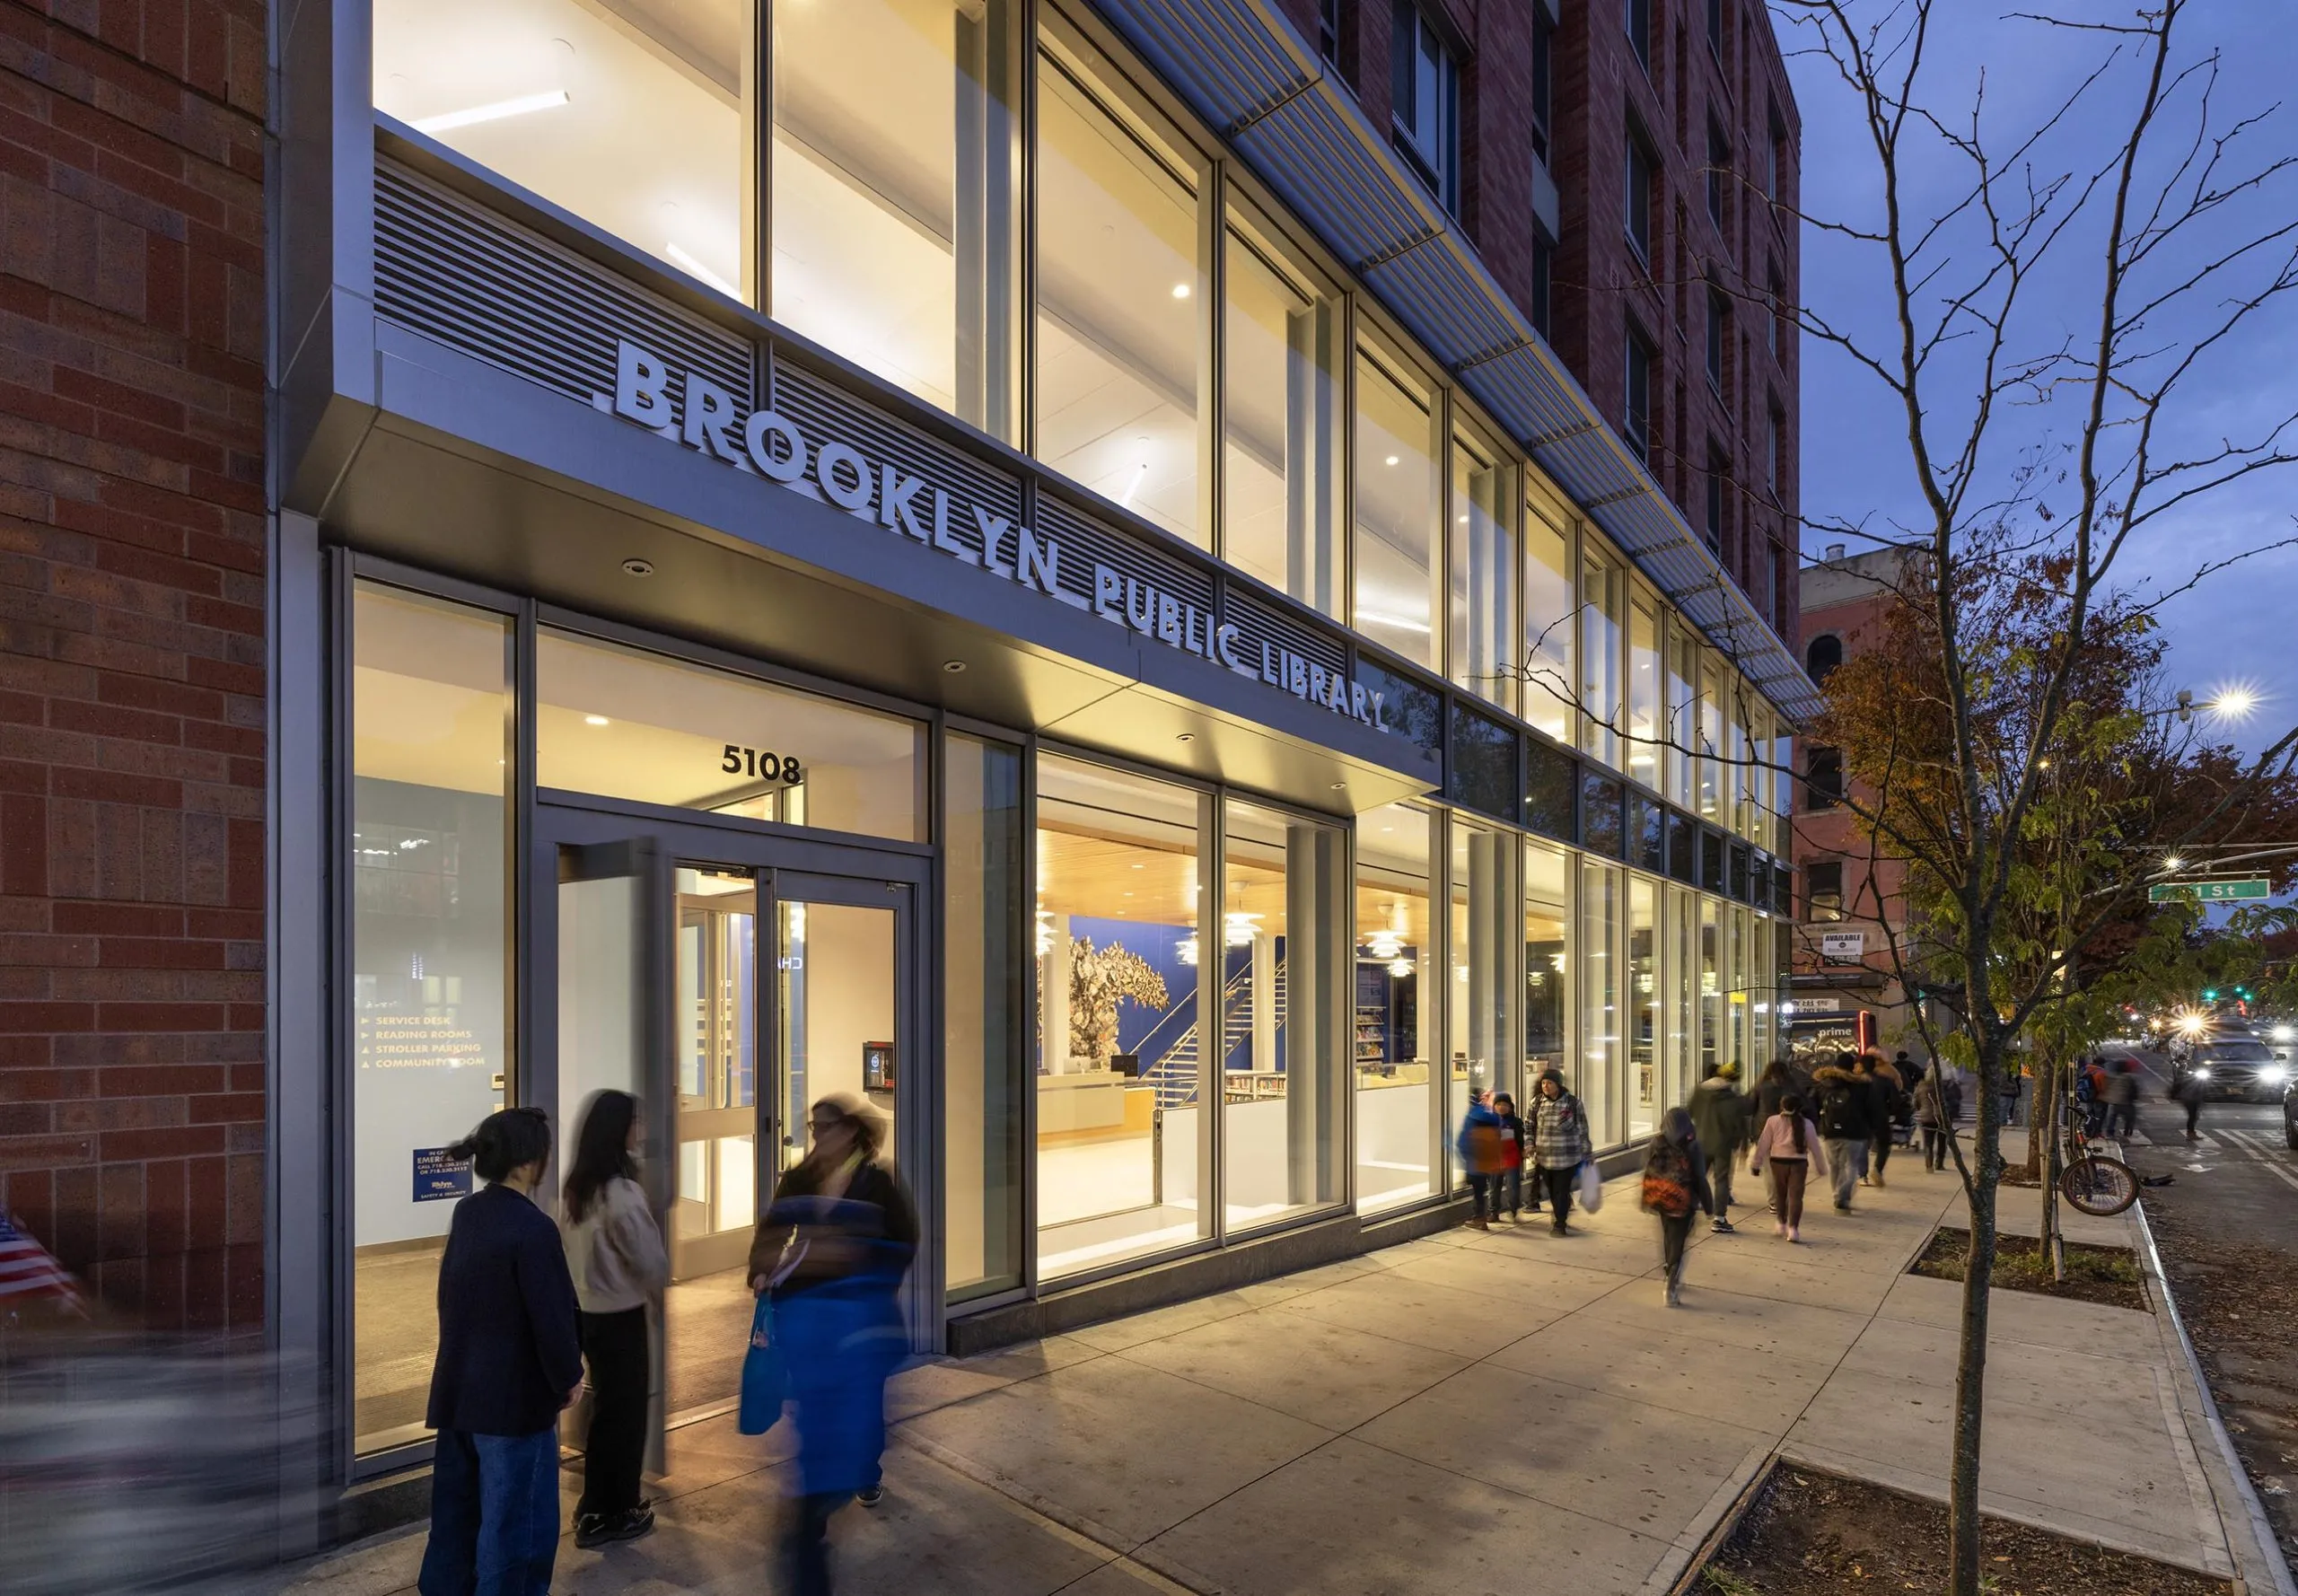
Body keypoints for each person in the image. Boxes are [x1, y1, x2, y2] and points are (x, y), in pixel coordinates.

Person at [749, 1094, 918, 1596]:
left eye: (825, 1126)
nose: (816, 1133)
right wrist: (761, 1268)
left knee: (862, 1412)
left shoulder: (876, 1181)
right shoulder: (799, 1178)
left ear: (850, 1132)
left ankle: (860, 1471)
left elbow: (904, 1240)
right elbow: (773, 1229)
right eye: (813, 1125)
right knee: (817, 1414)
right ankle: (817, 1511)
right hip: (807, 1321)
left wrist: (865, 1277)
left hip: (862, 1325)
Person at [417, 1107, 583, 1596]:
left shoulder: (468, 1212)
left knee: (458, 1516)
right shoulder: (533, 1229)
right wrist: (568, 1376)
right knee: (516, 1530)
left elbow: (450, 1298)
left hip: (458, 1394)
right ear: (530, 1163)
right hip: (513, 1404)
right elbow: (551, 1317)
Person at [560, 1089, 669, 1549]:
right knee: (624, 1418)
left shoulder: (576, 1190)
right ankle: (612, 1510)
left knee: (607, 1411)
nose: (641, 1129)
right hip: (621, 1315)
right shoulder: (621, 1193)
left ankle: (597, 1506)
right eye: (635, 1121)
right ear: (617, 1130)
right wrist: (657, 1291)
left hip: (586, 1313)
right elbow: (651, 1261)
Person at [1641, 1107, 1712, 1304]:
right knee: (1678, 1240)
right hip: (1684, 1201)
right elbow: (1699, 1177)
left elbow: (1647, 1167)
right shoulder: (1692, 1145)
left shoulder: (1657, 1142)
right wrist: (1708, 1205)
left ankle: (1668, 1270)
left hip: (1662, 1199)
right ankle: (1672, 1280)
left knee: (1667, 1235)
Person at [1748, 1092, 1829, 1242]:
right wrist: (1821, 1167)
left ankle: (1781, 1223)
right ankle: (1793, 1229)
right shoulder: (1807, 1124)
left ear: (1782, 1106)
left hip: (1778, 1162)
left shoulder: (1772, 1121)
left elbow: (1764, 1143)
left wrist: (1756, 1163)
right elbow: (1815, 1147)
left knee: (1780, 1194)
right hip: (1799, 1163)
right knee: (1796, 1197)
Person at [1688, 1063, 1751, 1232]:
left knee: (1698, 1176)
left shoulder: (1699, 1092)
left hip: (1701, 1142)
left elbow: (1689, 1113)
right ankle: (1719, 1219)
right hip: (1723, 1145)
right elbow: (1740, 1125)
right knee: (1722, 1180)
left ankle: (1688, 1210)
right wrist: (1743, 1144)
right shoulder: (1733, 1098)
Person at [1531, 1068, 1593, 1235]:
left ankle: (1560, 1223)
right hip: (1545, 1158)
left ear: (1558, 1084)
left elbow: (1582, 1129)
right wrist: (1529, 1146)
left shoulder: (1573, 1103)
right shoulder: (1536, 1103)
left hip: (1567, 1157)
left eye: (1550, 1083)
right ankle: (1559, 1213)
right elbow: (1529, 1127)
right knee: (1552, 1190)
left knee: (1562, 1190)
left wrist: (1587, 1152)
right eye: (1544, 1083)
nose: (1546, 1086)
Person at [1811, 1054, 1871, 1212]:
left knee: (1835, 1166)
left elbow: (1812, 1106)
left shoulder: (1823, 1084)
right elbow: (1870, 1109)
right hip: (1854, 1132)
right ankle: (1842, 1195)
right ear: (1852, 1067)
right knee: (1851, 1165)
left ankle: (1836, 1194)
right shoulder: (1859, 1085)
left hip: (1830, 1131)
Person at [1456, 1092, 1504, 1230]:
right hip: (1490, 1162)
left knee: (1478, 1192)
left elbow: (1463, 1142)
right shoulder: (1493, 1116)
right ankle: (1491, 1213)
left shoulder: (1472, 1117)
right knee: (1488, 1188)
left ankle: (1479, 1218)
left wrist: (1465, 1158)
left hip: (1475, 1162)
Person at [1858, 1052, 1905, 1189]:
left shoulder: (1856, 1081)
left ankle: (1862, 1175)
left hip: (1861, 1118)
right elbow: (1896, 1101)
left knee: (1862, 1146)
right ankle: (1878, 1169)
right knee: (1884, 1144)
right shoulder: (1885, 1081)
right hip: (1880, 1116)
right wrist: (1890, 1111)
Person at [1492, 1092, 1527, 1223]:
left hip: (1511, 1159)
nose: (1501, 1107)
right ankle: (1493, 1212)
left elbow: (1520, 1141)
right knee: (1494, 1187)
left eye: (1505, 1105)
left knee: (1513, 1187)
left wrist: (1522, 1153)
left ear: (1510, 1107)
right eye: (1498, 1104)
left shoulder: (1516, 1122)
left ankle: (1513, 1209)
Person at [1913, 1064, 1952, 1171]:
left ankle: (1929, 1164)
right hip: (1941, 1117)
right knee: (1942, 1142)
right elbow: (1951, 1100)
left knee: (1928, 1142)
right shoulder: (1943, 1086)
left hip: (1926, 1117)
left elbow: (1915, 1102)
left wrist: (1920, 1109)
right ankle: (1939, 1164)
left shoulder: (1921, 1086)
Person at [2102, 1056, 2142, 1139]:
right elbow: (2134, 1090)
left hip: (2113, 1102)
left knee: (2111, 1119)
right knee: (2130, 1118)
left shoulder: (2110, 1077)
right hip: (2126, 1102)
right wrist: (2134, 1098)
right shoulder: (2129, 1078)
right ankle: (2127, 1132)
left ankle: (2110, 1134)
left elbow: (2105, 1087)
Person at [2171, 1066, 2206, 1141]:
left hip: (2191, 1098)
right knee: (2192, 1116)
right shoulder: (2186, 1078)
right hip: (2189, 1099)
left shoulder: (2195, 1079)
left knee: (2193, 1116)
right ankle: (2191, 1134)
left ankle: (2191, 1133)